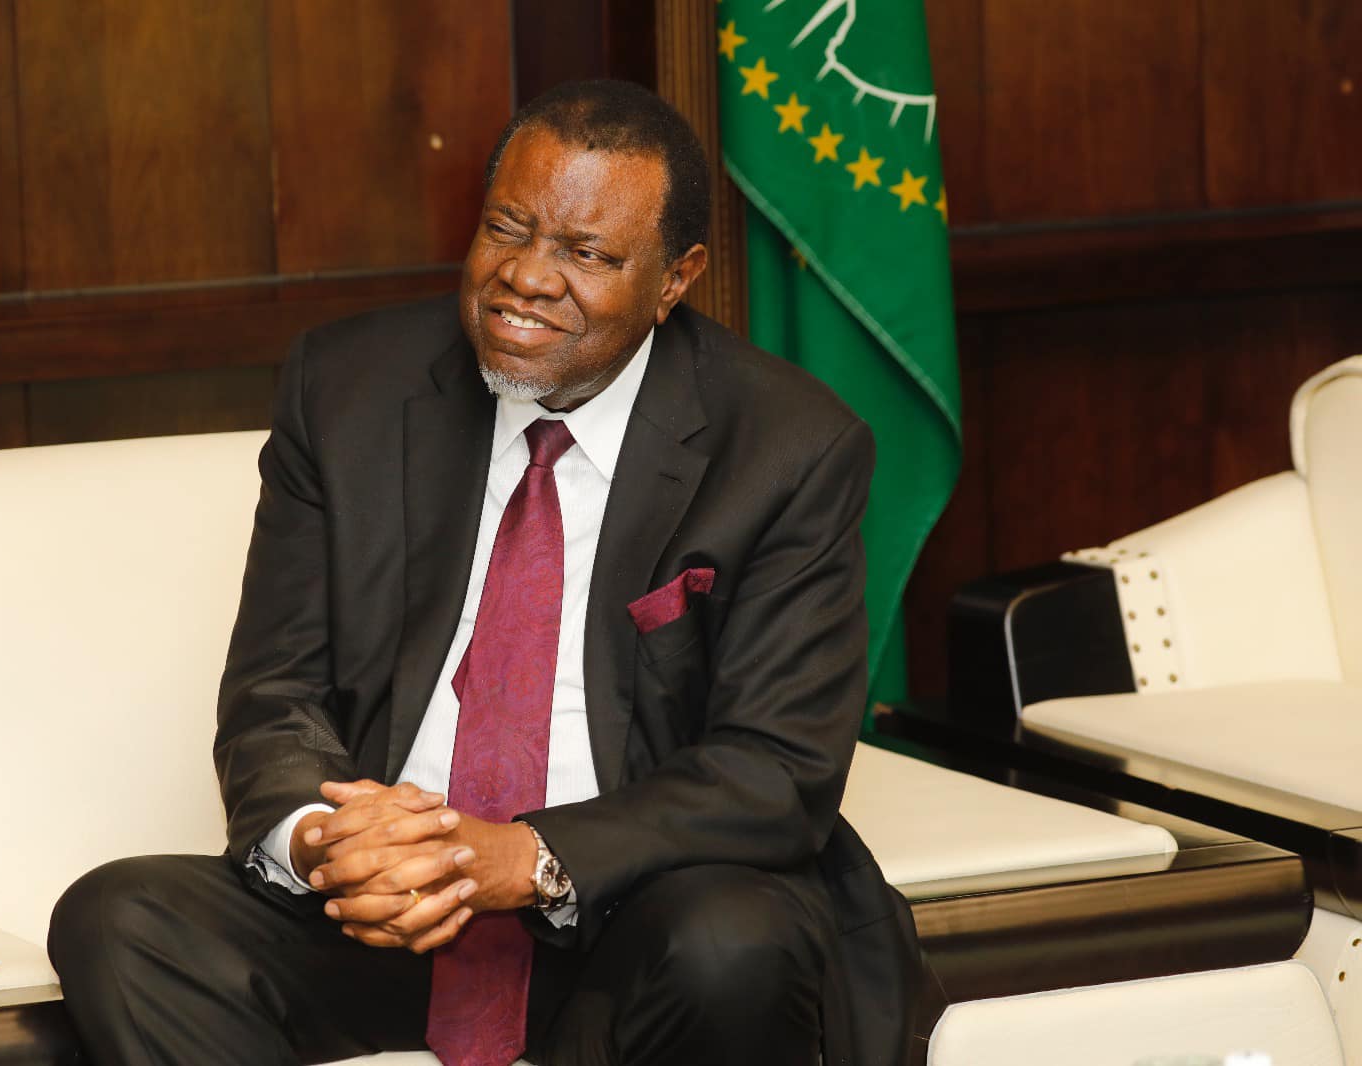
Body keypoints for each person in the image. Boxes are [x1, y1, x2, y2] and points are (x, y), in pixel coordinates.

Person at [49, 79, 919, 1066]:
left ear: (675, 280)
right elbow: (274, 691)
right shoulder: (346, 391)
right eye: (508, 228)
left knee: (734, 943)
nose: (528, 277)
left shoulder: (787, 446)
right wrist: (332, 843)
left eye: (587, 254)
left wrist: (528, 857)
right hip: (388, 918)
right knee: (120, 921)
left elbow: (774, 769)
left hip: (628, 915)